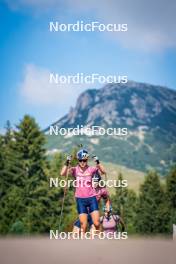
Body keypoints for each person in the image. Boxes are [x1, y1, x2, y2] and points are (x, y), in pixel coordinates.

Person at [60, 149, 106, 234]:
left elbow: (103, 172)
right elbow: (62, 173)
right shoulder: (74, 170)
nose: (82, 162)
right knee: (83, 225)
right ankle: (83, 243)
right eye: (80, 160)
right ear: (78, 160)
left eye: (84, 160)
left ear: (87, 160)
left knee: (96, 223)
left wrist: (98, 162)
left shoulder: (91, 169)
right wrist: (67, 162)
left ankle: (100, 237)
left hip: (92, 198)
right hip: (80, 199)